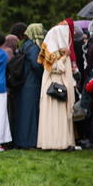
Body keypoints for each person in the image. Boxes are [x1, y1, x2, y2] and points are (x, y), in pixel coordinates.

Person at [37, 21, 77, 151]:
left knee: (60, 116)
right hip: (54, 85)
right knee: (55, 116)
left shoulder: (59, 51)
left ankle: (63, 141)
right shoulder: (53, 51)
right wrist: (64, 57)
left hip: (57, 84)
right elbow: (55, 68)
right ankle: (55, 143)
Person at [13, 23, 45, 148]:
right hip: (31, 84)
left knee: (23, 113)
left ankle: (21, 140)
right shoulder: (33, 47)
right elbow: (36, 65)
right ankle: (29, 141)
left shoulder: (25, 45)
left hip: (24, 83)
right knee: (30, 113)